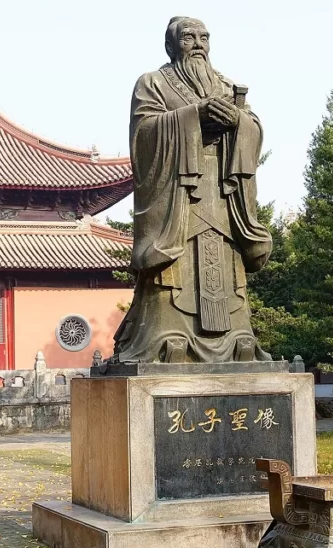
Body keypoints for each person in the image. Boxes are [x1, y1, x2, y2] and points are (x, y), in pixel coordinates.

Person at [112, 16, 273, 364]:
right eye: (188, 37)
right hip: (177, 199)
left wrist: (239, 123)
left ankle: (238, 338)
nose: (198, 43)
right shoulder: (152, 83)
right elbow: (144, 135)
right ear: (171, 45)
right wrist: (192, 117)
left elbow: (254, 128)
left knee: (228, 270)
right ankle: (166, 336)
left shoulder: (226, 86)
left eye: (204, 37)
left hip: (223, 192)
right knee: (172, 276)